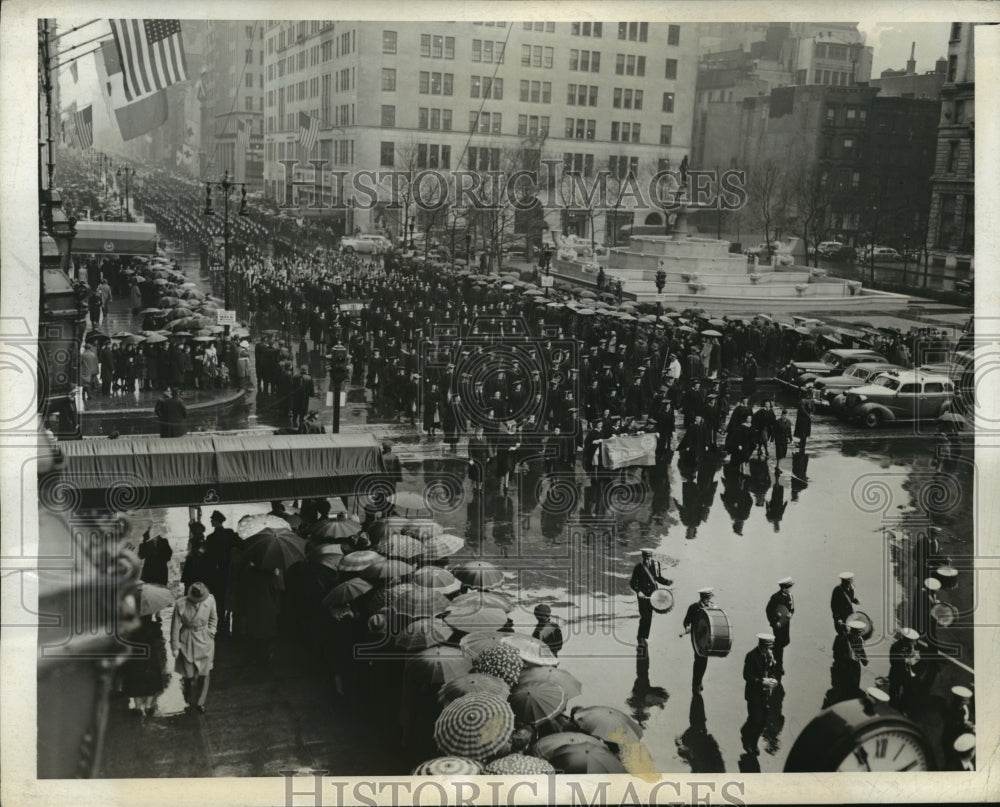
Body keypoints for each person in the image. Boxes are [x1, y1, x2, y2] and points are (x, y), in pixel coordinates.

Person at [170, 581, 218, 714]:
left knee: (204, 673)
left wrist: (211, 632)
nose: (198, 601)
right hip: (187, 639)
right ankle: (188, 692)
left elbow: (214, 618)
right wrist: (175, 646)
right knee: (189, 674)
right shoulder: (181, 603)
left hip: (205, 640)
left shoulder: (210, 601)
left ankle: (200, 703)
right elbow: (174, 627)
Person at [119, 615, 170, 718]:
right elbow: (158, 638)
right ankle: (148, 706)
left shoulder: (129, 626)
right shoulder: (153, 626)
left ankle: (137, 707)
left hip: (134, 658)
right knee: (150, 680)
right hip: (149, 657)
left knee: (135, 681)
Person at [740, 633, 780, 756]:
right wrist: (762, 681)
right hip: (753, 694)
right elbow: (747, 675)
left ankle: (753, 742)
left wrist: (773, 680)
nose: (769, 650)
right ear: (762, 646)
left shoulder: (769, 656)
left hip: (765, 694)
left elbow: (772, 671)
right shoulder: (751, 656)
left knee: (762, 721)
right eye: (768, 647)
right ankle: (747, 741)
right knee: (755, 719)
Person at [204, 511, 241, 634]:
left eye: (212, 520)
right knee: (229, 595)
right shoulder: (230, 533)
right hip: (230, 570)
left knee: (218, 598)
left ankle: (220, 624)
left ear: (215, 521)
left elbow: (208, 559)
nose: (210, 521)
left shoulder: (210, 538)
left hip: (217, 572)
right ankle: (228, 618)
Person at [628, 549, 673, 647]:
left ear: (651, 557)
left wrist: (667, 582)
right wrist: (638, 592)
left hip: (653, 595)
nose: (647, 560)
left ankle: (645, 636)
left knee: (649, 617)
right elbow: (632, 583)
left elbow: (658, 578)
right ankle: (641, 637)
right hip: (642, 597)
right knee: (644, 616)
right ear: (643, 557)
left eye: (648, 558)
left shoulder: (656, 565)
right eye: (645, 558)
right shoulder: (638, 567)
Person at [682, 587, 715, 693]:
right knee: (699, 659)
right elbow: (686, 621)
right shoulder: (694, 607)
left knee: (704, 661)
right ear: (702, 598)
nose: (708, 601)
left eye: (709, 598)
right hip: (697, 637)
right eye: (706, 599)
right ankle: (695, 684)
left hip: (708, 638)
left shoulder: (713, 607)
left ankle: (699, 680)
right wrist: (687, 627)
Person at [829, 620, 868, 704]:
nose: (857, 637)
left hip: (854, 670)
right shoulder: (841, 639)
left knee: (853, 689)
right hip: (844, 669)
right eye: (856, 634)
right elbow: (836, 656)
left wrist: (864, 658)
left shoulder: (859, 640)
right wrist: (847, 659)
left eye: (858, 635)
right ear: (852, 632)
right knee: (843, 691)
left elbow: (861, 652)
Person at [765, 578, 795, 678]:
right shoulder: (775, 597)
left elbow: (792, 608)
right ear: (784, 588)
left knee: (786, 641)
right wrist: (774, 622)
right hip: (777, 624)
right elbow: (768, 610)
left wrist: (791, 614)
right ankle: (779, 665)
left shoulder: (790, 596)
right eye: (789, 587)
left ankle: (770, 650)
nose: (791, 589)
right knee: (780, 644)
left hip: (785, 623)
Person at [887, 627, 921, 715]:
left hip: (906, 674)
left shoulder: (910, 646)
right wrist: (907, 660)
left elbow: (912, 658)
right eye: (913, 641)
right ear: (907, 640)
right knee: (894, 692)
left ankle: (902, 708)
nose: (915, 643)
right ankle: (892, 709)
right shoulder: (895, 647)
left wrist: (915, 657)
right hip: (896, 673)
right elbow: (893, 661)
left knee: (909, 692)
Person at [830, 571, 860, 636]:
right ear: (843, 581)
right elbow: (834, 606)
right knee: (844, 636)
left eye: (851, 580)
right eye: (849, 580)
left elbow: (850, 598)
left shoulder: (852, 587)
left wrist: (855, 600)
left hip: (851, 617)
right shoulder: (838, 590)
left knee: (854, 635)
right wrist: (838, 619)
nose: (851, 582)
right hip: (842, 618)